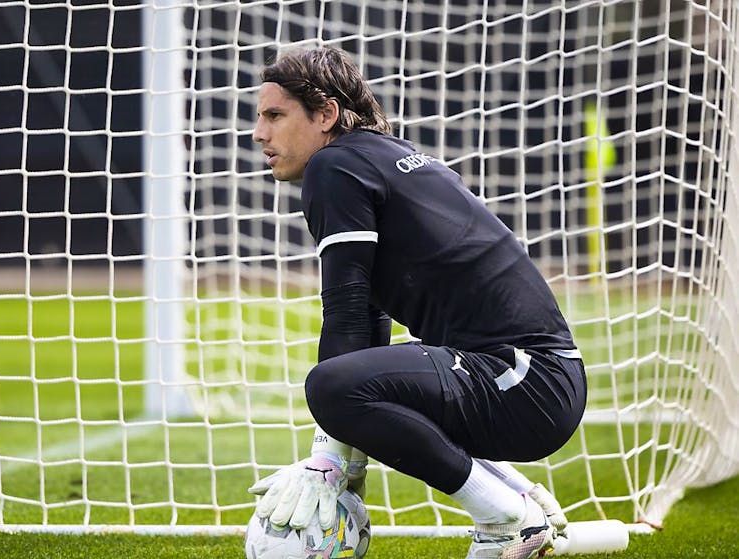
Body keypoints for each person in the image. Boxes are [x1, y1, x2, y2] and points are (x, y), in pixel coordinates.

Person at [246, 46, 587, 559]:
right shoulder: (380, 154)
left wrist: (328, 456)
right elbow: (368, 316)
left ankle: (505, 519)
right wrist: (344, 454)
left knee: (329, 386)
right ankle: (514, 495)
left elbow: (344, 313)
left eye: (274, 116)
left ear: (326, 114)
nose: (259, 134)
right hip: (541, 381)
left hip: (520, 380)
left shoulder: (332, 167)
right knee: (351, 384)